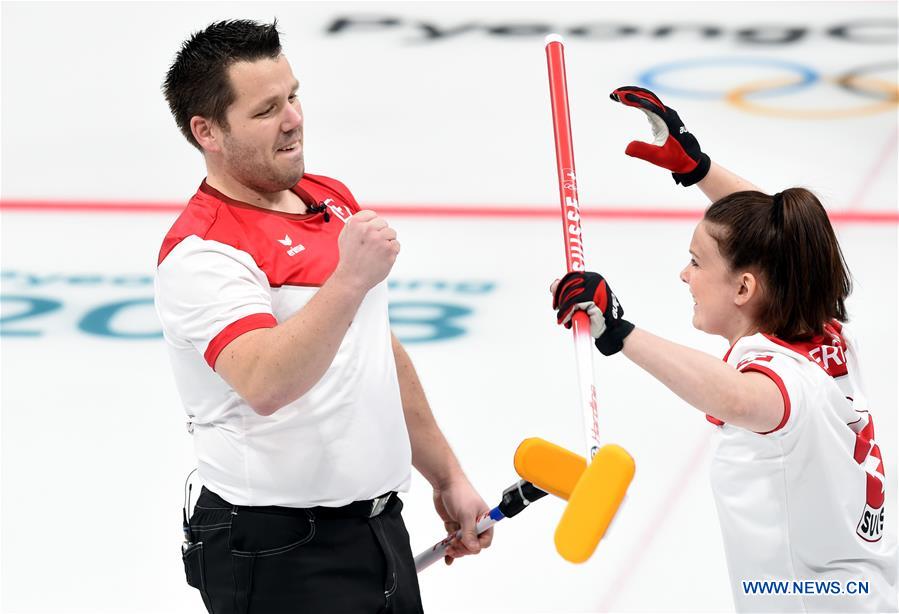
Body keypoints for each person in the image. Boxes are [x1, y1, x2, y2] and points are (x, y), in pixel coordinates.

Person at [155, 19, 491, 613]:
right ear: (206, 131)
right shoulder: (204, 252)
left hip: (376, 528)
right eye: (265, 111)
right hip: (275, 548)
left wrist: (447, 477)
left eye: (293, 96)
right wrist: (349, 279)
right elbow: (265, 383)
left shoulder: (328, 196)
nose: (292, 119)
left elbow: (373, 351)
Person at [551, 86, 897, 612]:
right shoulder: (824, 329)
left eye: (695, 261)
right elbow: (790, 242)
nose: (683, 274)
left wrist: (619, 331)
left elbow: (737, 398)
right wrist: (698, 167)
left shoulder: (781, 382)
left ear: (743, 289)